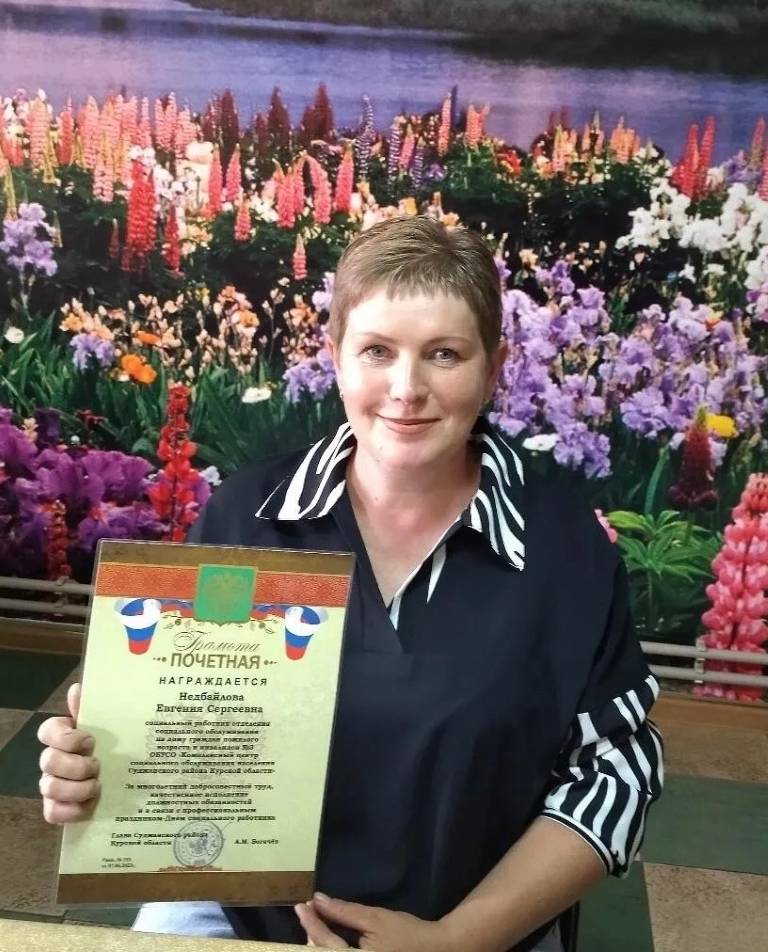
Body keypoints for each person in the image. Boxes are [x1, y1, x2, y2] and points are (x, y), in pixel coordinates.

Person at [38, 215, 664, 951]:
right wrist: (100, 767)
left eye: (444, 354)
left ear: (494, 367)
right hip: (237, 914)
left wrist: (459, 939)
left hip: (476, 932)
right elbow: (188, 728)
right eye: (377, 351)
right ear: (334, 356)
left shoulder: (563, 547)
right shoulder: (247, 516)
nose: (407, 389)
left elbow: (616, 771)